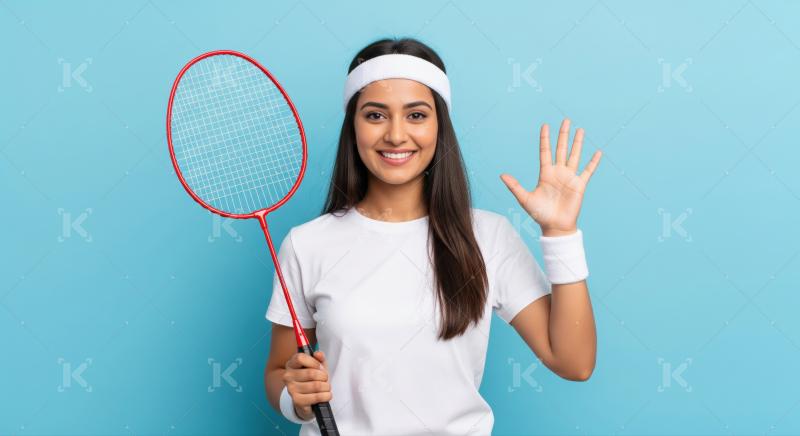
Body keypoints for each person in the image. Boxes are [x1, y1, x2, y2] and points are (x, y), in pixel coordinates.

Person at [263, 37, 602, 435]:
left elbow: (574, 362)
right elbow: (278, 371)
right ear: (352, 125)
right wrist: (294, 400)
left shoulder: (488, 237)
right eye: (375, 115)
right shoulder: (307, 244)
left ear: (440, 126)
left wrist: (560, 234)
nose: (395, 135)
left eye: (416, 115)